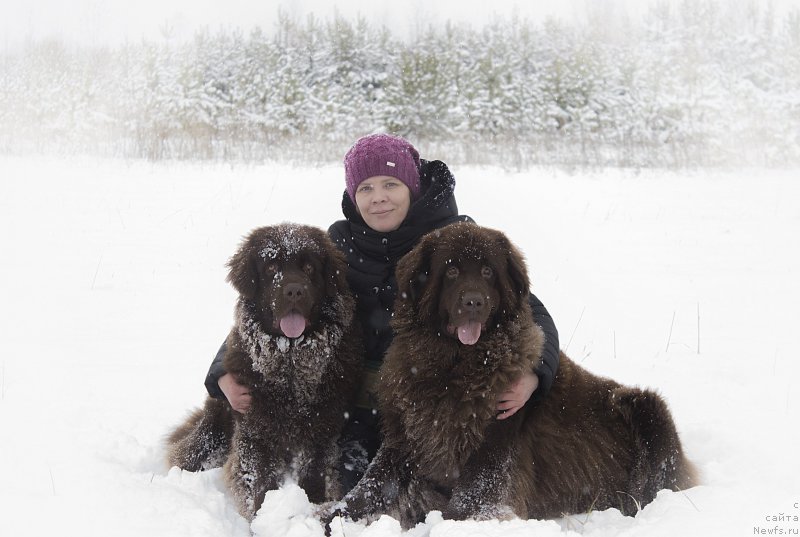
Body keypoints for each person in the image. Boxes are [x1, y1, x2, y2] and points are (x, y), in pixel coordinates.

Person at [204, 133, 560, 490]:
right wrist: (221, 370)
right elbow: (271, 311)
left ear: (413, 187)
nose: (378, 198)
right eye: (365, 188)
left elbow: (532, 312)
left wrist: (536, 374)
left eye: (391, 184)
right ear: (353, 196)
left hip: (425, 403)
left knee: (416, 488)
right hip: (353, 406)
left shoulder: (451, 242)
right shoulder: (340, 245)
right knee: (346, 483)